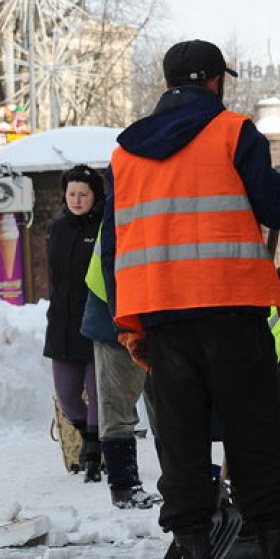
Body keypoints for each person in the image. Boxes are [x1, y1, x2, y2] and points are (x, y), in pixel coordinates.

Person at [100, 39, 280, 558]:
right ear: (216, 80)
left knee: (180, 438)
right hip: (231, 308)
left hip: (160, 316)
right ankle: (267, 534)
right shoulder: (233, 130)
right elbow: (270, 205)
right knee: (254, 430)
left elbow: (113, 245)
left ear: (166, 83)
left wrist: (128, 322)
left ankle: (192, 541)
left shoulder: (124, 152)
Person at [81, 229, 161, 509]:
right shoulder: (124, 200)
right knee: (117, 402)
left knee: (166, 404)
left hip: (156, 303)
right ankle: (124, 486)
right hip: (115, 310)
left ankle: (176, 481)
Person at [43, 164, 105, 483]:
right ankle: (88, 436)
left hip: (96, 321)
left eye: (83, 194)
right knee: (66, 395)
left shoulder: (106, 227)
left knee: (97, 393)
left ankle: (93, 451)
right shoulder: (58, 228)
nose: (77, 200)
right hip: (62, 322)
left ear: (96, 195)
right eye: (71, 194)